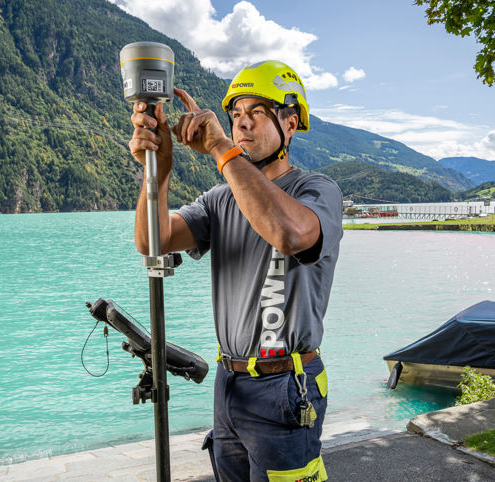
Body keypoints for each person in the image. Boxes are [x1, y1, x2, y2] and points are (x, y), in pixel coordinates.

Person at [129, 60, 342, 482]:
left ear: (291, 123)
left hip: (286, 386)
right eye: (235, 115)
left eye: (255, 113)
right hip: (230, 384)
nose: (241, 125)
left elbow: (291, 234)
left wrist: (220, 148)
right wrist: (159, 172)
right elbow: (153, 241)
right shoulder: (218, 200)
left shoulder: (316, 191)